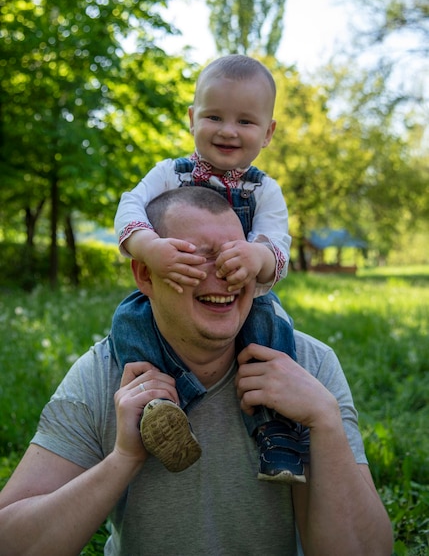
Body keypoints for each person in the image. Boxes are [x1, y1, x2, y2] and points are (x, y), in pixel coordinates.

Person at [0, 187, 393, 556]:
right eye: (196, 257)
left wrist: (323, 421)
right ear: (145, 275)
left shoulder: (309, 365)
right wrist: (123, 458)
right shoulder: (104, 375)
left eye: (234, 255)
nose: (225, 274)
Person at [112, 54, 303, 483]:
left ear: (268, 132)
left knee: (273, 331)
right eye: (214, 116)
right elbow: (129, 207)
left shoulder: (265, 191)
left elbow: (276, 244)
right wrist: (149, 246)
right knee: (128, 319)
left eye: (246, 121)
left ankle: (277, 429)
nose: (228, 130)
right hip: (179, 284)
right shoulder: (170, 175)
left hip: (241, 296)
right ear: (192, 118)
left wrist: (257, 257)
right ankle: (157, 407)